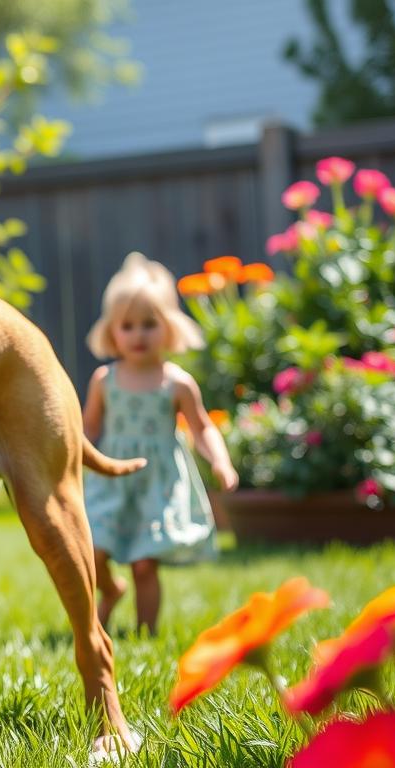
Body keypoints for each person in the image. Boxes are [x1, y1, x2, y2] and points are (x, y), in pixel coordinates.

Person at [82, 252, 238, 635]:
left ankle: (145, 632)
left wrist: (220, 461)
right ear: (112, 331)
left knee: (144, 561)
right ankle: (109, 593)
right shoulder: (105, 380)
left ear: (167, 328)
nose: (138, 335)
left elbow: (202, 428)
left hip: (158, 483)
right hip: (112, 477)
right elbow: (88, 429)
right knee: (92, 550)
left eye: (149, 324)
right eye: (128, 326)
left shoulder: (177, 382)